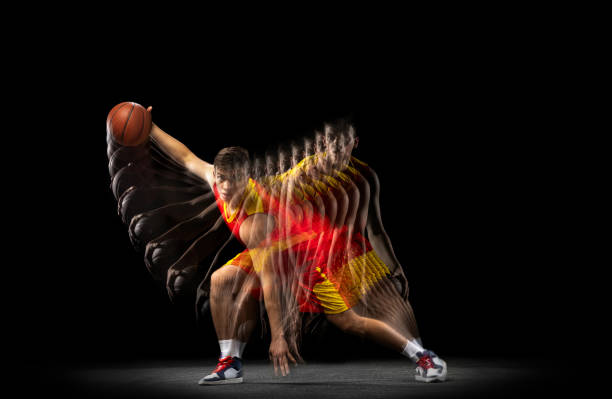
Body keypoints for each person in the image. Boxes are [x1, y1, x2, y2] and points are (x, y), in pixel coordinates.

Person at [149, 120, 448, 385]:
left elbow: (271, 281)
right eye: (221, 179)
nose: (225, 187)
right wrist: (149, 128)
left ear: (246, 177)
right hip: (271, 251)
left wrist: (279, 336)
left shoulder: (257, 222)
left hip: (302, 257)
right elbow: (185, 156)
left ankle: (423, 356)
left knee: (350, 322)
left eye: (233, 180)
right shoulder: (217, 179)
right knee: (220, 280)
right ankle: (230, 363)